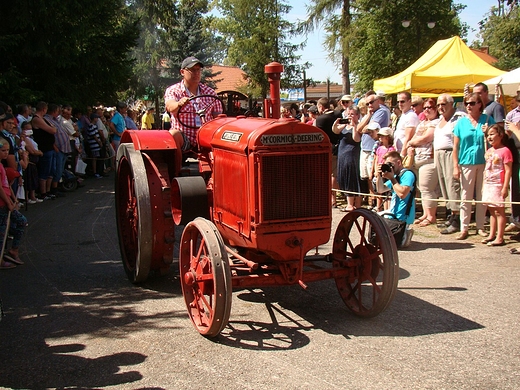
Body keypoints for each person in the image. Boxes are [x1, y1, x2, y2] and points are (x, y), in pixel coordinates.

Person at [452, 92, 495, 240]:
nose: (469, 106)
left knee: (482, 195)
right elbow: (455, 147)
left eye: (472, 103)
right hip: (466, 162)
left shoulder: (487, 120)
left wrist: (487, 133)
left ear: (479, 104)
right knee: (466, 195)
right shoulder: (461, 123)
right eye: (467, 103)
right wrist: (455, 166)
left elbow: (498, 138)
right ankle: (464, 227)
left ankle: (480, 226)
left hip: (484, 162)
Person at [164, 56, 222, 159]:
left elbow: (219, 118)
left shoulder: (210, 93)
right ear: (182, 72)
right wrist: (178, 104)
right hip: (185, 137)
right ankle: (176, 171)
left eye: (198, 70)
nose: (196, 73)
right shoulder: (173, 90)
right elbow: (170, 106)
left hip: (206, 137)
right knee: (173, 134)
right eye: (192, 70)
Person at [434, 94, 465, 234]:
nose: (440, 107)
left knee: (453, 185)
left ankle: (457, 219)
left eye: (443, 104)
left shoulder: (459, 118)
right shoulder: (440, 119)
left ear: (451, 104)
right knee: (444, 186)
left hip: (450, 154)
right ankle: (451, 214)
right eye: (439, 104)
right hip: (439, 154)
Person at [407, 98, 440, 227]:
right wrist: (411, 144)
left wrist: (412, 143)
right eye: (425, 107)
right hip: (418, 159)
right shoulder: (422, 123)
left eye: (430, 107)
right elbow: (415, 138)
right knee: (422, 188)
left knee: (428, 188)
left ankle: (431, 216)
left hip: (429, 159)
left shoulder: (437, 122)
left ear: (436, 109)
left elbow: (426, 138)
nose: (427, 110)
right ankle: (426, 214)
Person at [375, 150, 416, 248]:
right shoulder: (396, 176)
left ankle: (405, 233)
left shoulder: (407, 174)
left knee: (394, 244)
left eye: (391, 164)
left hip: (402, 217)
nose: (390, 167)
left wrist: (392, 179)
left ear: (399, 163)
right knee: (374, 219)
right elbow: (381, 189)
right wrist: (379, 176)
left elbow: (402, 194)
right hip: (393, 214)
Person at [480, 124, 512, 247]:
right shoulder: (489, 151)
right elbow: (486, 169)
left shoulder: (505, 151)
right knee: (491, 210)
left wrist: (505, 187)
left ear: (501, 135)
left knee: (499, 211)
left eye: (492, 134)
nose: (489, 137)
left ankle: (500, 237)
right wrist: (483, 185)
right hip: (488, 183)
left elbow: (508, 170)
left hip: (498, 184)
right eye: (488, 135)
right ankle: (492, 234)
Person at [0, 140, 27, 269]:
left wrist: (12, 199)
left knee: (20, 222)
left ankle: (13, 250)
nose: (6, 153)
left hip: (6, 201)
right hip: (1, 203)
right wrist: (8, 202)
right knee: (2, 231)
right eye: (3, 150)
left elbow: (6, 185)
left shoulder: (1, 166)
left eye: (7, 150)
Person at [332, 106, 361, 211]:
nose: (350, 116)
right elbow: (335, 131)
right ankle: (351, 203)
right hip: (342, 155)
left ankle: (353, 204)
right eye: (349, 114)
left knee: (352, 178)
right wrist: (337, 123)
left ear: (357, 115)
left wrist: (354, 126)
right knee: (343, 176)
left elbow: (356, 139)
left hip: (352, 155)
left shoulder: (358, 126)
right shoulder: (344, 126)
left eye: (352, 114)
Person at [315, 97, 342, 207]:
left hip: (324, 149)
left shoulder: (320, 119)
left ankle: (328, 197)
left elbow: (317, 136)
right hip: (338, 147)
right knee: (333, 174)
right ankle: (333, 199)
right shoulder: (338, 114)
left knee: (325, 173)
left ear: (321, 107)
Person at [31, 101, 57, 201]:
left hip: (50, 148)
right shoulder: (37, 119)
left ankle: (48, 190)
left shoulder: (43, 119)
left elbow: (53, 127)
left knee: (51, 171)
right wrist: (52, 128)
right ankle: (43, 192)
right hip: (44, 148)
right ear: (44, 109)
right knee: (44, 171)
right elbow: (52, 130)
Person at [504, 93, 520, 234]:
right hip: (515, 156)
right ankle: (516, 220)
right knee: (515, 192)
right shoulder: (512, 114)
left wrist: (516, 130)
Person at [371, 127, 395, 212]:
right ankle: (378, 208)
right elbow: (376, 159)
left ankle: (387, 209)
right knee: (378, 190)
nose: (380, 137)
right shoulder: (379, 148)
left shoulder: (392, 149)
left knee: (386, 192)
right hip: (379, 172)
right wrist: (375, 170)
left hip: (386, 172)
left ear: (387, 137)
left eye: (382, 136)